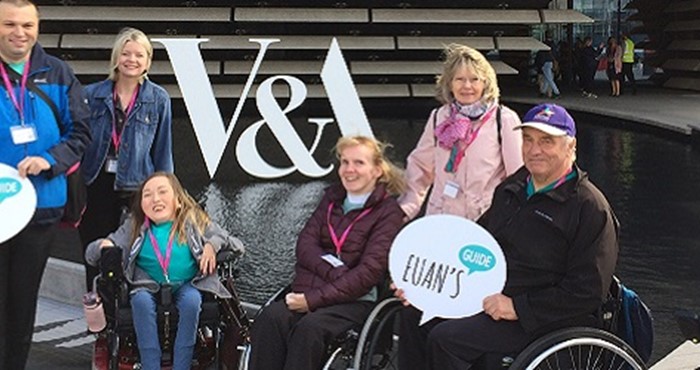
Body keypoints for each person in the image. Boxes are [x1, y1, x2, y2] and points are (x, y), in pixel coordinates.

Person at [396, 103, 619, 370]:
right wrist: (426, 288)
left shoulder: (589, 207)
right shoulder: (511, 188)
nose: (535, 150)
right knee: (413, 315)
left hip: (543, 317)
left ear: (571, 147)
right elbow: (474, 242)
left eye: (547, 141)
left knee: (447, 340)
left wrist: (518, 307)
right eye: (528, 140)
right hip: (491, 296)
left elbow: (588, 291)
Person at [247, 136, 406, 370]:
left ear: (377, 170)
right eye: (345, 162)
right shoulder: (331, 199)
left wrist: (311, 301)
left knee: (310, 329)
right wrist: (338, 272)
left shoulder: (389, 213)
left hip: (354, 300)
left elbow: (368, 273)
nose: (349, 170)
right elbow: (306, 245)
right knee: (270, 318)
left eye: (359, 163)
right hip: (310, 288)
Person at [0, 0, 91, 368]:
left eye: (27, 25)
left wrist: (50, 159)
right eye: (9, 24)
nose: (19, 33)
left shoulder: (57, 73)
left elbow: (81, 132)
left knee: (22, 304)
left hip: (40, 208)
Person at [85, 172, 244, 370]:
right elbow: (90, 255)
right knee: (140, 301)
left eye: (162, 192)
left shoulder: (194, 221)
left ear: (178, 200)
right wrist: (105, 245)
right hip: (146, 284)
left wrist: (212, 245)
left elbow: (236, 245)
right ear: (141, 204)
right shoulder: (133, 225)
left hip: (188, 283)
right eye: (148, 194)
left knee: (192, 301)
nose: (156, 199)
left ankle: (182, 366)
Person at [80, 27, 173, 291]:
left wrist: (166, 193)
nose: (132, 60)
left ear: (148, 60)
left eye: (139, 55)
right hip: (96, 183)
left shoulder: (158, 99)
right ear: (116, 57)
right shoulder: (91, 95)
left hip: (138, 186)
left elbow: (163, 151)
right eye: (126, 53)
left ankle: (130, 312)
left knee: (137, 251)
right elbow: (78, 143)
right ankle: (98, 313)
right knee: (96, 251)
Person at [399, 43, 523, 222]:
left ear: (485, 83)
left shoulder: (503, 119)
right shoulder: (439, 117)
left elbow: (517, 176)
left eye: (474, 79)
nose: (467, 86)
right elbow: (420, 166)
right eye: (459, 79)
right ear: (449, 83)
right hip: (442, 216)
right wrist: (405, 208)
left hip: (485, 218)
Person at [536, 31, 560, 99]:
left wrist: (540, 64)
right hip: (552, 62)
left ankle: (557, 92)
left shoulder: (543, 44)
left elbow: (540, 55)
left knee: (549, 79)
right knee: (548, 78)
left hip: (545, 63)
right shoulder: (554, 45)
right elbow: (556, 55)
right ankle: (542, 92)